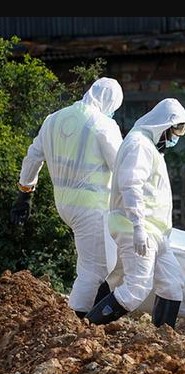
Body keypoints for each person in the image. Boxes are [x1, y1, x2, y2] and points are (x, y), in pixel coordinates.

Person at [11, 77, 124, 318]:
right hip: (92, 208)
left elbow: (33, 157)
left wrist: (25, 194)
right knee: (94, 269)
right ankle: (77, 319)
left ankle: (91, 320)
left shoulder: (53, 119)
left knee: (96, 264)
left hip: (64, 206)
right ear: (111, 102)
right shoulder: (103, 124)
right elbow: (122, 166)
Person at [85, 98, 185, 328]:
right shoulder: (138, 144)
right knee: (136, 288)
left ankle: (163, 340)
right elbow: (131, 185)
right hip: (136, 228)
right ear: (162, 126)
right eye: (175, 130)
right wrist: (138, 226)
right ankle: (89, 329)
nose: (176, 137)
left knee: (172, 285)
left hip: (156, 232)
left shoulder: (149, 147)